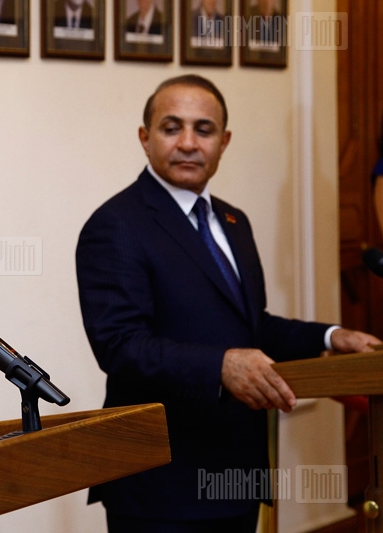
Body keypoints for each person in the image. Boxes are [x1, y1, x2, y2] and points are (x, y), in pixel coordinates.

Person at [75, 74, 381, 532]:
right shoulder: (115, 225)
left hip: (235, 471)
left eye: (203, 129)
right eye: (170, 127)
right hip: (161, 481)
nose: (187, 143)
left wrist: (331, 336)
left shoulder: (234, 221)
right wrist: (220, 365)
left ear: (224, 141)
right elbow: (120, 347)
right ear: (145, 137)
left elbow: (249, 326)